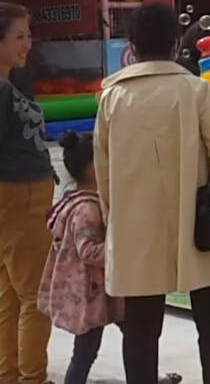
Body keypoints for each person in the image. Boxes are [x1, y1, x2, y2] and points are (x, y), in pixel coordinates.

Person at [94, 3, 210, 384]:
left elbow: (103, 174)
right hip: (202, 223)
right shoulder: (196, 90)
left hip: (137, 228)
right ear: (176, 45)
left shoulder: (112, 98)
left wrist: (113, 223)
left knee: (141, 329)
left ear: (132, 48)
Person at [37, 131, 120, 384]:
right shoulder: (87, 210)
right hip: (92, 295)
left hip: (96, 292)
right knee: (85, 353)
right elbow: (88, 251)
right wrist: (122, 249)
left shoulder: (73, 202)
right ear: (94, 170)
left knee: (135, 332)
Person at [0, 2, 55, 384]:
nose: (27, 44)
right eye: (19, 36)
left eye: (29, 35)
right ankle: (31, 378)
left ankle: (10, 374)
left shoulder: (8, 86)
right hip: (20, 201)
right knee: (36, 297)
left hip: (21, 203)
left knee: (10, 296)